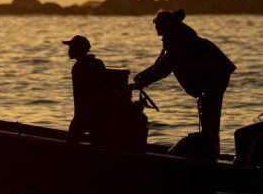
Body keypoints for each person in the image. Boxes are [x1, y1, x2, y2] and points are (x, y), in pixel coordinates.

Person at [131, 9, 236, 159]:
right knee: (207, 111)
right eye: (154, 22)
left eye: (157, 22)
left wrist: (143, 81)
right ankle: (209, 150)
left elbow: (165, 68)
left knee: (209, 113)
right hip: (213, 76)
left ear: (166, 23)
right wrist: (141, 77)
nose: (155, 26)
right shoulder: (173, 36)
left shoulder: (178, 39)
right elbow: (159, 64)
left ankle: (210, 153)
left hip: (215, 75)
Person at [64, 35, 144, 149]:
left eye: (71, 47)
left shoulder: (78, 68)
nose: (68, 50)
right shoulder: (97, 63)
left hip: (88, 113)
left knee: (72, 142)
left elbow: (81, 98)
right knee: (97, 143)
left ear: (79, 49)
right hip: (101, 113)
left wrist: (77, 121)